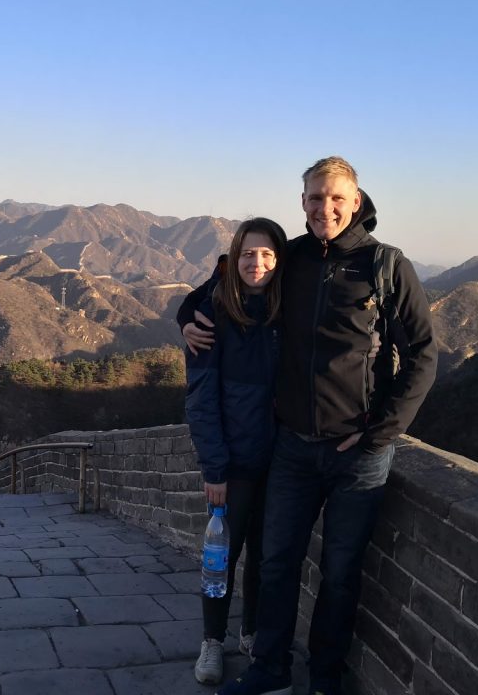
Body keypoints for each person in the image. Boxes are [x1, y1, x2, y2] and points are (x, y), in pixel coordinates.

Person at [180, 157, 437, 695]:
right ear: (303, 202)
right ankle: (270, 670)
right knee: (276, 563)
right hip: (293, 447)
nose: (326, 208)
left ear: (356, 201)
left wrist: (380, 432)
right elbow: (220, 287)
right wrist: (186, 318)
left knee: (339, 573)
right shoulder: (291, 257)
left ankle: (324, 679)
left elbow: (422, 355)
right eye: (316, 198)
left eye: (337, 198)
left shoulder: (386, 265)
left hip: (358, 455)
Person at [187, 217, 287, 685]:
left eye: (267, 254)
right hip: (234, 464)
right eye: (248, 253)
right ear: (234, 257)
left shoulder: (287, 312)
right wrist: (215, 468)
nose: (257, 262)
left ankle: (251, 632)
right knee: (221, 557)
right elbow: (201, 399)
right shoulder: (213, 314)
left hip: (283, 462)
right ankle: (212, 640)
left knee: (266, 557)